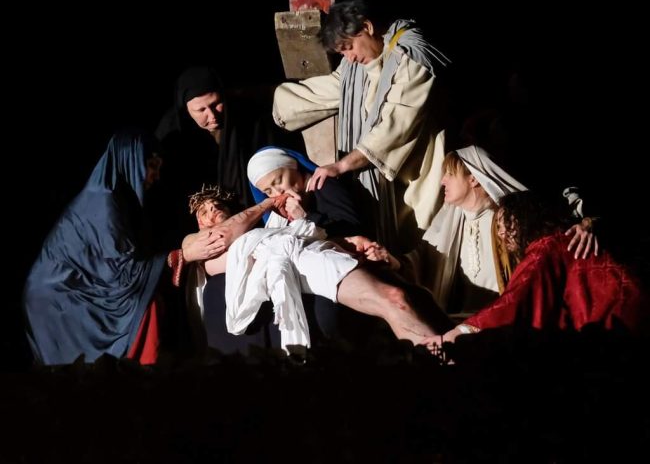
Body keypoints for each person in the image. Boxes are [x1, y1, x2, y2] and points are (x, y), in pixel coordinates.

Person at [184, 149, 450, 352]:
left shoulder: (322, 187)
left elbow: (344, 229)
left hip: (330, 259)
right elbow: (229, 240)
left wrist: (308, 220)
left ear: (292, 167)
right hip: (303, 270)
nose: (278, 191)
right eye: (268, 190)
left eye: (278, 180)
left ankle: (439, 358)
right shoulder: (261, 219)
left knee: (395, 299)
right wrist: (272, 206)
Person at [272, 0, 450, 246]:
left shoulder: (411, 55)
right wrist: (281, 101)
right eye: (342, 53)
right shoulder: (356, 65)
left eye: (348, 47)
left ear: (367, 27)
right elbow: (334, 88)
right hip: (384, 182)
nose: (349, 58)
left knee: (424, 243)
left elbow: (395, 126)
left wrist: (342, 165)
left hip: (421, 171)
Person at [360, 146, 595, 317]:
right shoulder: (448, 223)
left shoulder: (512, 222)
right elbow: (422, 263)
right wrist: (392, 261)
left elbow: (555, 240)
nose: (442, 181)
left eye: (450, 174)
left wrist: (587, 224)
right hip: (460, 321)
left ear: (473, 179)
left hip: (506, 322)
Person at [23, 130, 169, 365]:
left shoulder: (122, 199)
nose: (156, 175)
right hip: (58, 295)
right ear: (130, 161)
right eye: (152, 165)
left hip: (79, 286)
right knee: (145, 304)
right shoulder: (105, 202)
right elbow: (124, 272)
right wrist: (179, 255)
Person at [436, 190, 650, 342]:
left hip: (618, 330)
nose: (501, 233)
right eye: (499, 227)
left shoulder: (546, 248)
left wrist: (459, 333)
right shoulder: (560, 240)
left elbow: (517, 301)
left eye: (505, 223)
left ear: (523, 219)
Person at [156, 66, 280, 232]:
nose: (212, 115)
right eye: (201, 110)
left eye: (216, 104)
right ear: (186, 109)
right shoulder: (172, 137)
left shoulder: (249, 121)